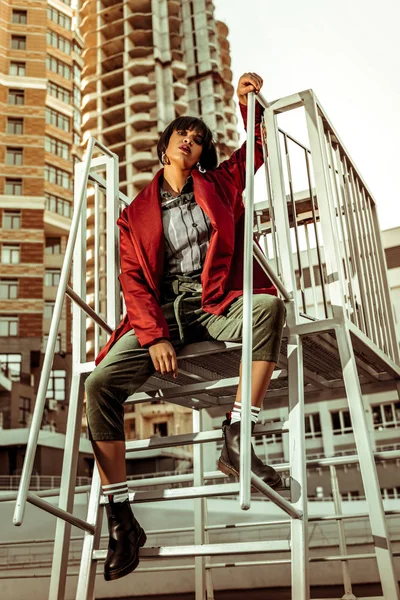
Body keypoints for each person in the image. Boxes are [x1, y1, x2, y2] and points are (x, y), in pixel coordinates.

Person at [85, 72, 286, 582]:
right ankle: (122, 518)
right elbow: (134, 280)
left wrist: (247, 101)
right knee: (98, 384)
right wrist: (151, 337)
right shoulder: (134, 213)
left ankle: (238, 438)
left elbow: (257, 147)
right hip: (162, 313)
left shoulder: (220, 184)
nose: (189, 140)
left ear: (201, 155)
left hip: (215, 301)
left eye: (198, 138)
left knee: (268, 310)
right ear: (164, 147)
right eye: (182, 133)